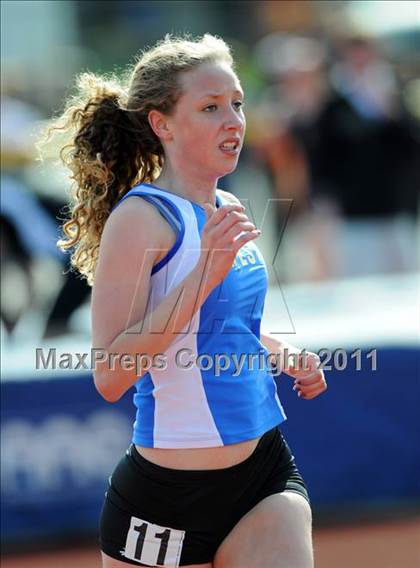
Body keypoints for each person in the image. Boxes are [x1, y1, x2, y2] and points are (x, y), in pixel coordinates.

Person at [43, 34, 327, 568]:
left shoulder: (228, 205)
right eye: (211, 107)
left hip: (263, 473)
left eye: (238, 104)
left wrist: (280, 353)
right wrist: (203, 273)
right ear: (162, 124)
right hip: (168, 497)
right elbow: (110, 374)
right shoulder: (141, 218)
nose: (234, 121)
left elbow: (224, 322)